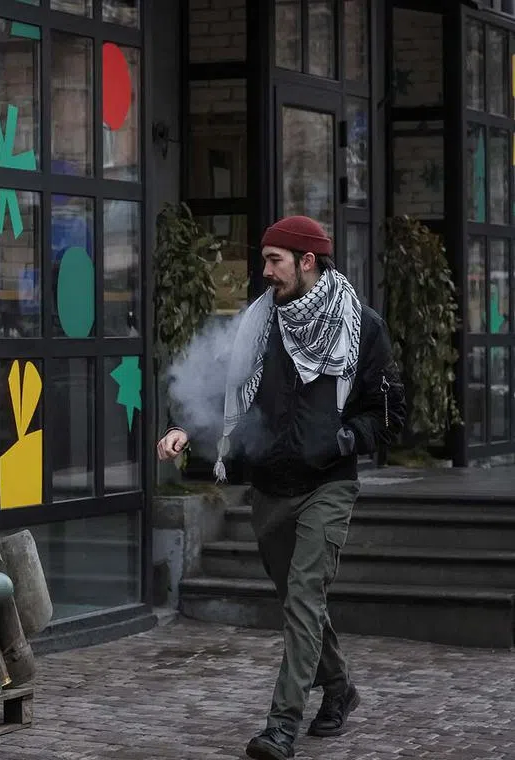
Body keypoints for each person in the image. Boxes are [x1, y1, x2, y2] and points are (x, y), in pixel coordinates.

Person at [156, 215, 405, 760]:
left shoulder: (362, 326)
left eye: (275, 260)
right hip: (270, 487)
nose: (265, 271)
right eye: (265, 259)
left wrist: (342, 440)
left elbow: (390, 414)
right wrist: (182, 427)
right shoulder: (257, 325)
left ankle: (280, 727)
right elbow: (219, 386)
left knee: (304, 599)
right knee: (298, 601)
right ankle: (339, 688)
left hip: (329, 484)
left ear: (307, 261)